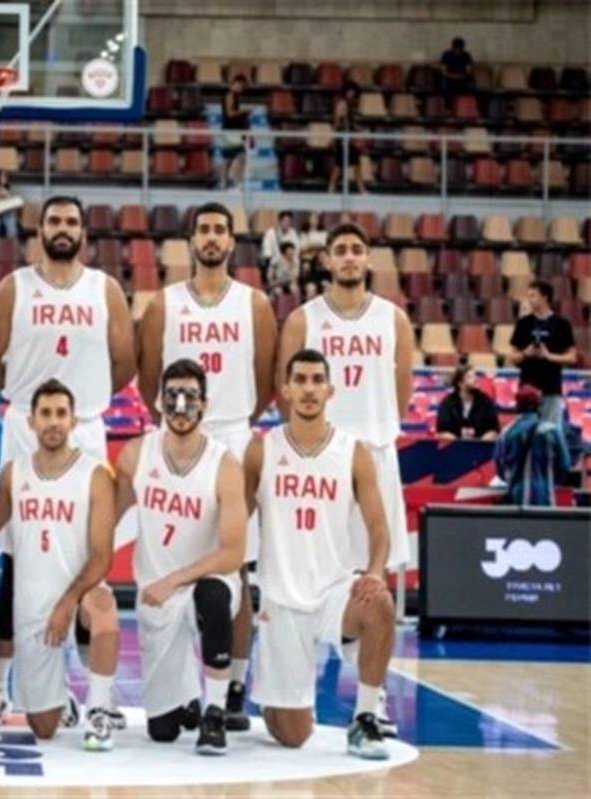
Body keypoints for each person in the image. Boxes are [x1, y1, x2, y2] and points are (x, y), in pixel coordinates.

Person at [0, 195, 135, 727]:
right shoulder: (15, 287)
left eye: (71, 221)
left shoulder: (104, 289)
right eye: (54, 221)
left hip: (83, 427)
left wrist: (82, 403)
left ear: (84, 233)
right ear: (39, 231)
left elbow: (124, 362)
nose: (62, 228)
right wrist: (29, 401)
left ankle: (89, 691)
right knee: (16, 559)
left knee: (85, 562)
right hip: (27, 425)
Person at [137, 200, 277, 732]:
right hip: (175, 434)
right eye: (205, 230)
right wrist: (180, 421)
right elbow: (149, 379)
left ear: (232, 241)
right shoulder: (164, 304)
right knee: (173, 558)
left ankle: (232, 684)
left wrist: (229, 423)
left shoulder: (254, 304)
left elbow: (266, 380)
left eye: (221, 229)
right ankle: (180, 690)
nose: (213, 237)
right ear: (191, 240)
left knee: (233, 569)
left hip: (231, 433)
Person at [278, 222, 413, 738]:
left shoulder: (393, 319)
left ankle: (371, 704)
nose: (350, 257)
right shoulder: (303, 319)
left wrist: (371, 433)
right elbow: (285, 392)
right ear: (327, 261)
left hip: (373, 453)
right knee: (312, 573)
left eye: (358, 249)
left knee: (371, 582)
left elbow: (401, 394)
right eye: (341, 250)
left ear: (368, 259)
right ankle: (297, 684)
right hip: (319, 458)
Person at [244, 349, 395, 760]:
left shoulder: (353, 451)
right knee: (292, 735)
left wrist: (375, 571)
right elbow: (235, 519)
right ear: (286, 390)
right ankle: (276, 697)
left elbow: (379, 529)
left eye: (317, 380)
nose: (309, 389)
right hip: (280, 597)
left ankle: (365, 717)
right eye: (300, 380)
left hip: (333, 590)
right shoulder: (261, 450)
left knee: (379, 603)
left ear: (331, 390)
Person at [112, 360, 247, 754]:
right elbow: (106, 520)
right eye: (173, 396)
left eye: (190, 396)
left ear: (205, 404)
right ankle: (186, 699)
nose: (181, 406)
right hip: (157, 596)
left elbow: (233, 553)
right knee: (163, 731)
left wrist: (175, 579)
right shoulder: (136, 455)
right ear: (159, 402)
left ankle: (215, 712)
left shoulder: (225, 465)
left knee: (213, 596)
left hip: (206, 580)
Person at [0, 379, 119, 750]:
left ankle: (99, 709)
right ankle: (63, 700)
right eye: (45, 413)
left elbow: (102, 556)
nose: (54, 421)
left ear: (74, 421)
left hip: (79, 593)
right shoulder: (14, 473)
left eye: (61, 413)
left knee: (104, 608)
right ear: (31, 422)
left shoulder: (95, 475)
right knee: (43, 728)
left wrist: (68, 602)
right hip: (33, 606)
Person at [508, 280, 576, 426]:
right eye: (528, 296)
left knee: (550, 430)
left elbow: (572, 357)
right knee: (526, 430)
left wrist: (549, 356)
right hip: (527, 389)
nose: (529, 300)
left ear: (545, 297)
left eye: (533, 296)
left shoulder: (561, 324)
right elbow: (512, 357)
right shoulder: (523, 323)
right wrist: (526, 353)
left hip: (551, 388)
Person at [494, 385, 571, 507]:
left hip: (516, 498)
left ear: (517, 405)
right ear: (538, 405)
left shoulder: (506, 433)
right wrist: (548, 481)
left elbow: (500, 468)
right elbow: (565, 465)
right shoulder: (552, 431)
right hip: (545, 497)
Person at [435, 365, 500, 441]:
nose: (475, 379)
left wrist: (479, 444)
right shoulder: (447, 403)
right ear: (460, 384)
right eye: (470, 377)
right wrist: (461, 445)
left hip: (480, 446)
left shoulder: (486, 401)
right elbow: (443, 432)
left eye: (475, 376)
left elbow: (493, 430)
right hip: (455, 446)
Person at [328, 84, 366, 194]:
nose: (351, 93)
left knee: (356, 164)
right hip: (342, 140)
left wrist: (357, 131)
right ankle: (330, 189)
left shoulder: (351, 105)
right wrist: (335, 138)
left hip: (350, 140)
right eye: (349, 91)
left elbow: (351, 124)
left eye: (353, 91)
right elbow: (337, 123)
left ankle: (362, 189)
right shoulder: (342, 103)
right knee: (338, 166)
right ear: (345, 92)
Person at [221, 74, 251, 187]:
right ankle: (228, 182)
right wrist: (244, 111)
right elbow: (230, 113)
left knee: (233, 157)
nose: (240, 88)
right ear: (233, 84)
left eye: (242, 86)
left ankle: (228, 182)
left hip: (237, 131)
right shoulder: (230, 95)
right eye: (239, 85)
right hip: (231, 131)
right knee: (234, 157)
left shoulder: (237, 97)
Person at [0, 170, 22, 241]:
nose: (5, 179)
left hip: (7, 213)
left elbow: (13, 203)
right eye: (3, 177)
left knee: (11, 227)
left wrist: (7, 195)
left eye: (6, 177)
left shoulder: (9, 189)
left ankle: (12, 245)